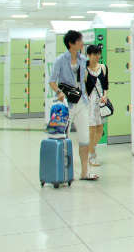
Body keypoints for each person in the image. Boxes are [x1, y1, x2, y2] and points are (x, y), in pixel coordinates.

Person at [48, 30, 99, 181]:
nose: (82, 43)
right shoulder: (60, 60)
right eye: (79, 41)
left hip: (82, 102)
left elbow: (83, 78)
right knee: (63, 138)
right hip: (66, 104)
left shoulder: (83, 59)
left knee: (84, 138)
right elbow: (52, 81)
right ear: (71, 43)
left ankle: (84, 172)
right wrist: (59, 92)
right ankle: (62, 173)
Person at [85, 45, 109, 167]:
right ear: (89, 55)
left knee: (100, 130)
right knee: (92, 129)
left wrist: (105, 96)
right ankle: (92, 155)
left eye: (99, 54)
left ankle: (90, 149)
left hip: (100, 102)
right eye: (95, 54)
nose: (97, 56)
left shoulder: (103, 67)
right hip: (89, 103)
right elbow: (82, 87)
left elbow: (106, 85)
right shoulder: (84, 68)